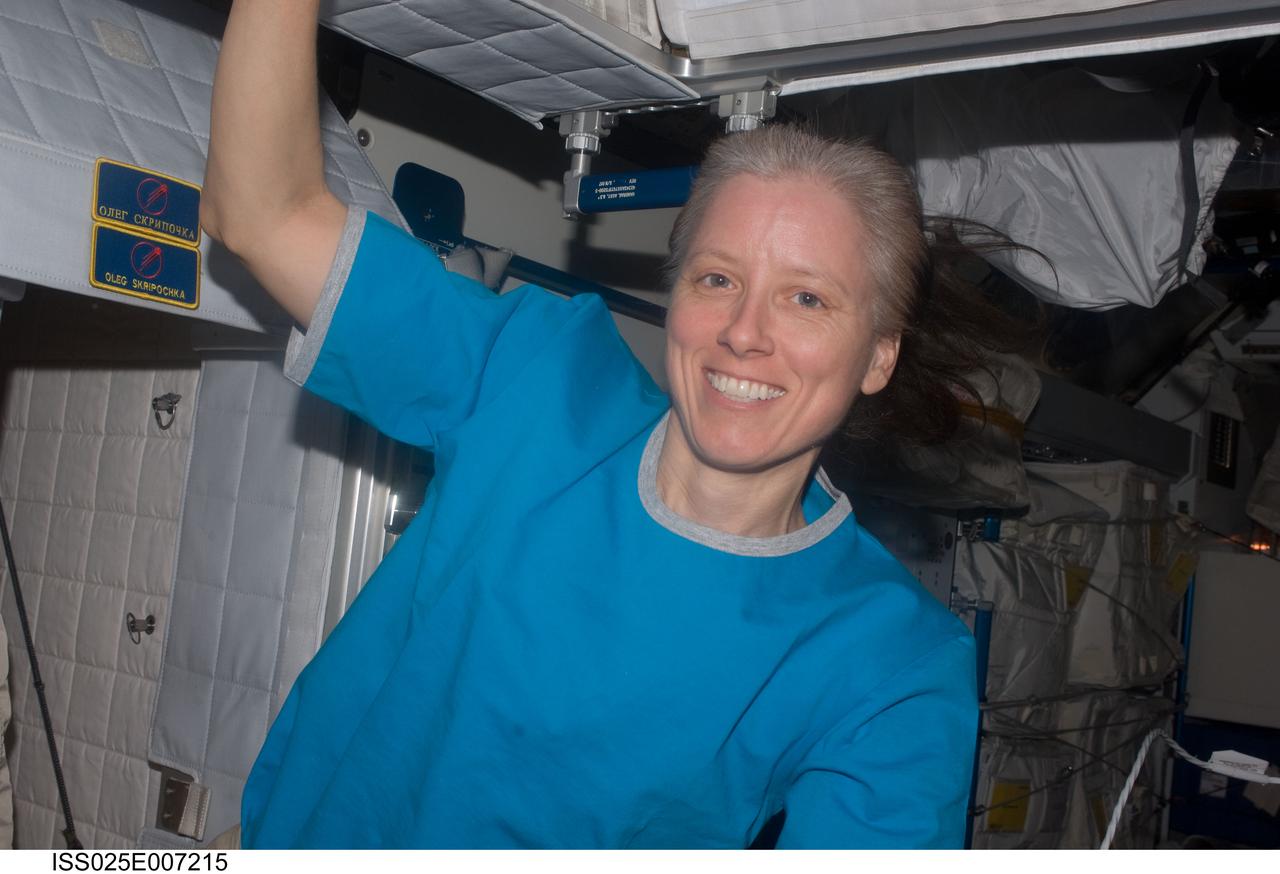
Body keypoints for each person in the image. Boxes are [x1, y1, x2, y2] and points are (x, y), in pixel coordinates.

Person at [202, 0, 982, 849]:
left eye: (806, 298)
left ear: (878, 356)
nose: (744, 333)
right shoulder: (541, 381)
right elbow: (264, 214)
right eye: (717, 279)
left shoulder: (895, 664)